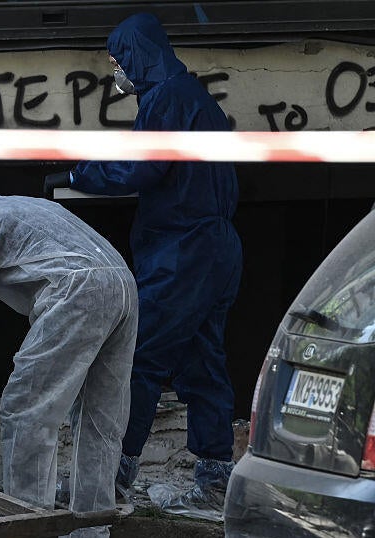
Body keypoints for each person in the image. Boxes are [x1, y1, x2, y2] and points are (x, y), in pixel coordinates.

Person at [44, 13, 242, 517]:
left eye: (118, 61)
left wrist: (76, 176)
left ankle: (109, 479)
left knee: (139, 358)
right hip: (216, 247)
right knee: (203, 363)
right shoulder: (197, 98)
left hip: (182, 251)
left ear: (137, 55)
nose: (117, 72)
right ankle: (215, 482)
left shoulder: (165, 99)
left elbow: (141, 167)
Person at [0, 193, 137, 537]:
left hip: (78, 287)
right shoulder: (22, 205)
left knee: (27, 409)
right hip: (123, 282)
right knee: (101, 418)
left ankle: (30, 528)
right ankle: (93, 529)